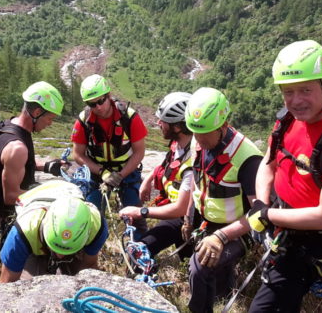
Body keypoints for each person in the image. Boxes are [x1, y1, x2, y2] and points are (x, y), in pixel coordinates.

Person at [246, 40, 322, 312]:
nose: (296, 100)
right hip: (280, 225)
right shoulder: (288, 119)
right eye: (288, 92)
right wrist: (260, 204)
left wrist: (267, 216)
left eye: (305, 90)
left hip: (309, 246)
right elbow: (268, 165)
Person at [181, 87, 263, 313]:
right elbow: (198, 185)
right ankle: (224, 291)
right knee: (214, 277)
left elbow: (259, 213)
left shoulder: (247, 158)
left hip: (239, 229)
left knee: (200, 267)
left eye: (205, 133)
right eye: (195, 132)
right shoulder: (198, 141)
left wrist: (220, 236)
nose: (198, 139)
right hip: (208, 220)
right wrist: (189, 219)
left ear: (224, 125)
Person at [118, 92, 194, 258]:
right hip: (178, 214)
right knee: (140, 251)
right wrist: (150, 178)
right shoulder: (180, 143)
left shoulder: (194, 161)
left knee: (191, 260)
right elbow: (169, 163)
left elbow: (180, 208)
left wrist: (141, 212)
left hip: (189, 217)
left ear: (178, 127)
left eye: (163, 121)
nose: (158, 123)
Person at [71, 74, 148, 235]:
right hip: (97, 173)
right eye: (92, 104)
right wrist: (102, 172)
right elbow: (77, 154)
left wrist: (119, 175)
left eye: (101, 101)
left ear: (109, 96)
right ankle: (89, 254)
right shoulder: (84, 120)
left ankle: (139, 251)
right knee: (90, 216)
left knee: (135, 217)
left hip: (127, 171)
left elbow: (139, 152)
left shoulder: (129, 117)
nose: (98, 107)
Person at [0, 81, 64, 238]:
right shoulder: (17, 148)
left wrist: (46, 166)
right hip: (17, 221)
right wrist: (51, 195)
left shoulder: (11, 126)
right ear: (36, 112)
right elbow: (10, 196)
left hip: (18, 215)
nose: (50, 123)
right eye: (50, 118)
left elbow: (21, 164)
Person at [0, 180, 109, 282]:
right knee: (29, 282)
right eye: (55, 248)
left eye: (66, 251)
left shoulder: (97, 227)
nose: (60, 256)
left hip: (67, 192)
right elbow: (7, 285)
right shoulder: (23, 233)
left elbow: (88, 267)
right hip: (34, 210)